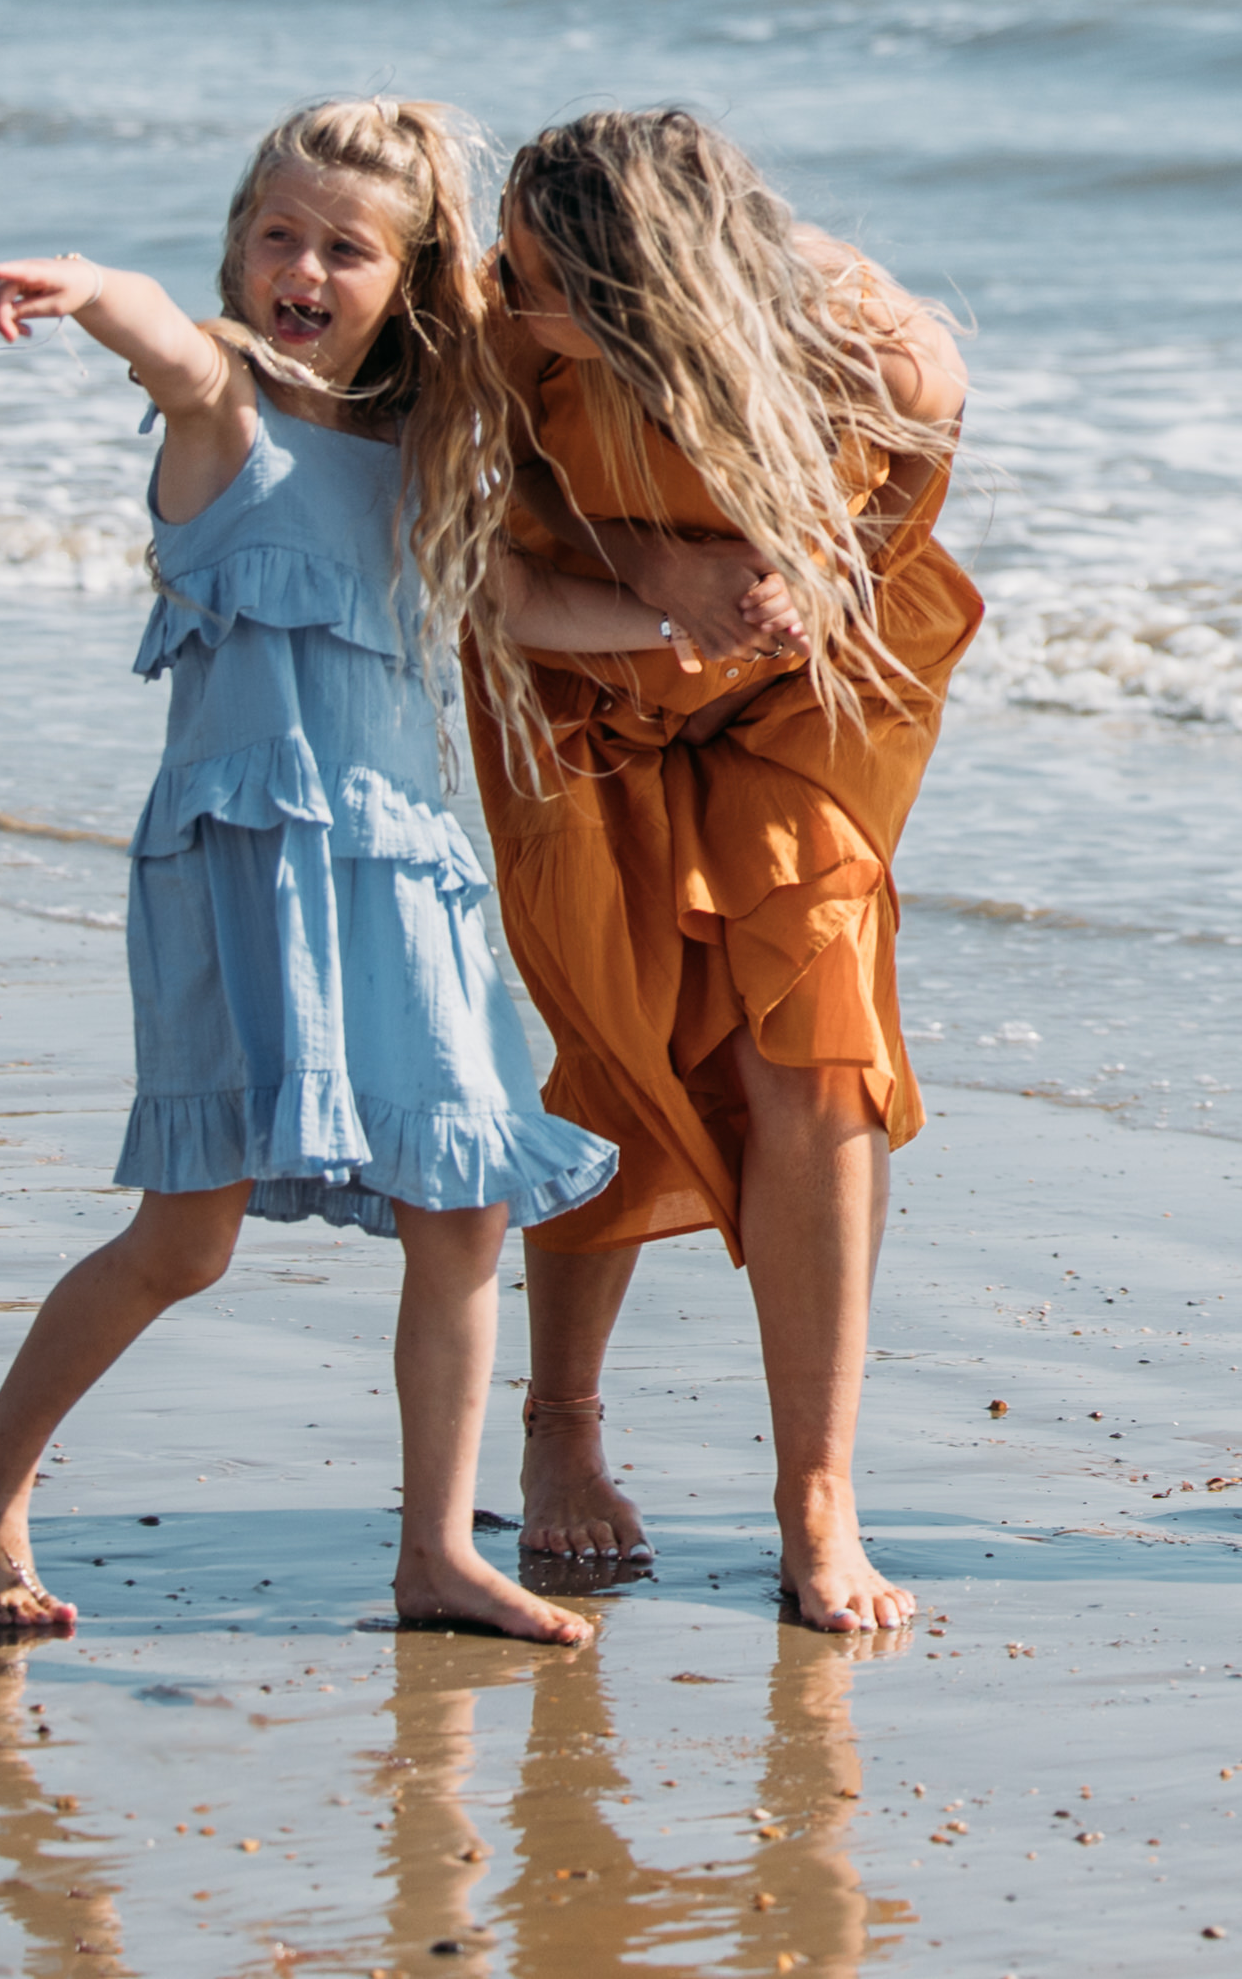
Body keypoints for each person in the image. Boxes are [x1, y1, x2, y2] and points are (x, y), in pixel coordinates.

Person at [0, 98, 628, 1643]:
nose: (303, 266)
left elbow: (508, 607)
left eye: (345, 247)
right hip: (246, 874)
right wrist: (80, 280)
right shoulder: (220, 412)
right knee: (187, 1238)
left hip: (403, 867)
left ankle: (436, 1552)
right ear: (237, 244)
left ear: (411, 274)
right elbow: (159, 337)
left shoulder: (425, 450)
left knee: (464, 1204)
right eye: (278, 233)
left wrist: (688, 622)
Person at [449, 108, 981, 1635]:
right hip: (577, 682)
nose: (505, 280)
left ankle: (819, 1495)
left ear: (642, 291)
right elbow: (467, 573)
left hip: (800, 706)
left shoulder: (879, 352)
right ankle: (562, 1424)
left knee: (816, 1054)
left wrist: (795, 596)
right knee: (617, 1046)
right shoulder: (500, 339)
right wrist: (663, 583)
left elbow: (884, 533)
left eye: (538, 269)